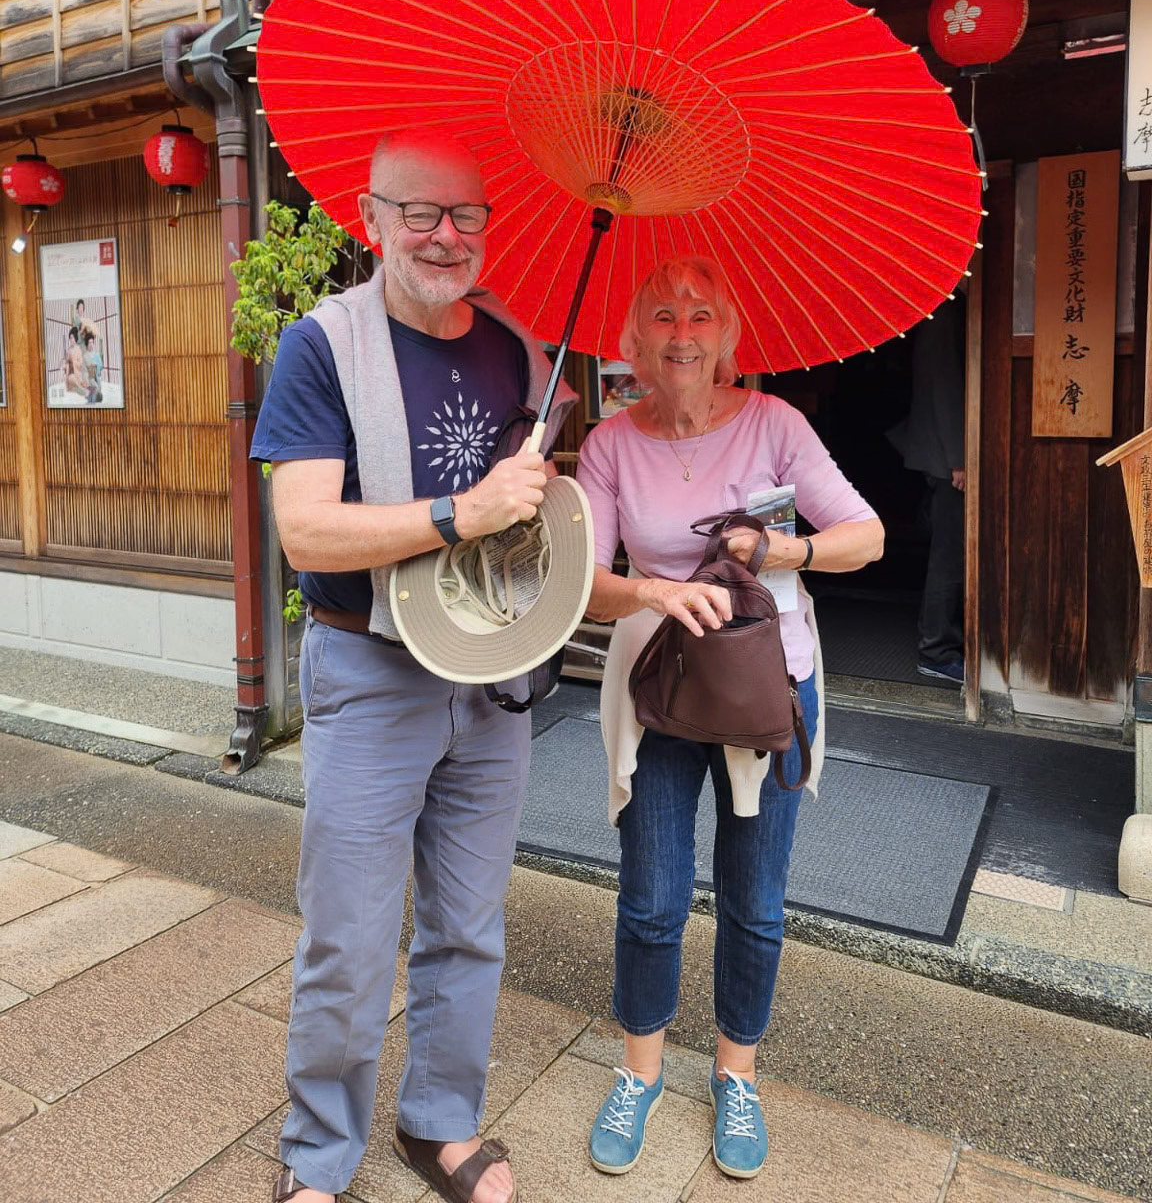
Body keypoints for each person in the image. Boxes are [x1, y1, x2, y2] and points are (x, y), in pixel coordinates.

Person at [250, 130, 575, 1203]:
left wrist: (543, 478)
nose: (444, 235)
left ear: (489, 225)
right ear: (370, 217)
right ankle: (318, 1158)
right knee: (347, 935)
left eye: (467, 215)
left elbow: (529, 521)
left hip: (490, 678)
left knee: (470, 924)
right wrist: (463, 510)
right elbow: (305, 533)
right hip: (369, 671)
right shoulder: (321, 346)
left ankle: (438, 1124)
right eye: (419, 212)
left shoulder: (520, 352)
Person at [575, 256, 884, 1182]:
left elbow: (863, 538)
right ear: (631, 341)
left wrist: (781, 546)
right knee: (653, 898)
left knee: (754, 902)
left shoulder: (776, 425)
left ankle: (736, 1076)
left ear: (728, 336)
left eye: (701, 315)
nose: (681, 333)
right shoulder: (607, 443)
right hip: (660, 689)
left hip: (766, 690)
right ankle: (640, 1074)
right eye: (661, 314)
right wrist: (653, 590)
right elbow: (584, 586)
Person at [887, 288, 966, 683]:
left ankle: (941, 643)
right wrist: (959, 457)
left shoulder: (945, 309)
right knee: (949, 554)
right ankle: (936, 649)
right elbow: (944, 388)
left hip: (941, 450)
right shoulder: (947, 312)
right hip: (946, 455)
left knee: (950, 550)